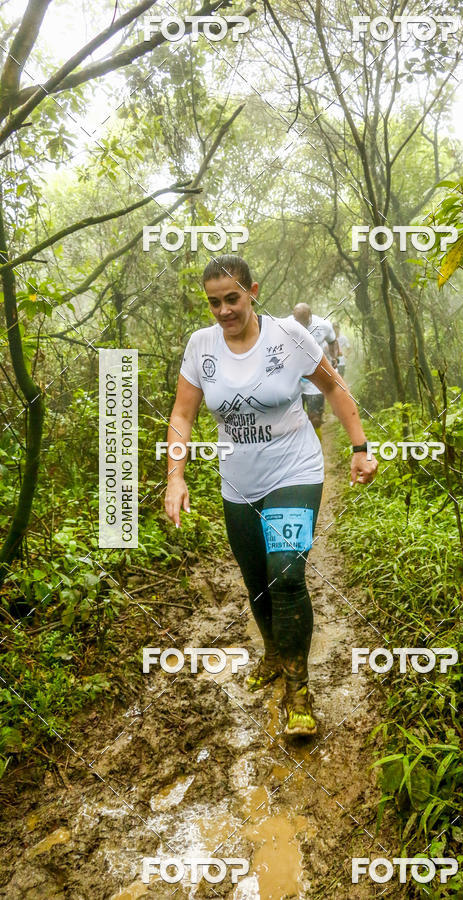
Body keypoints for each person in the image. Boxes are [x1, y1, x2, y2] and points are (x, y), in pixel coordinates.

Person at [164, 255, 377, 737]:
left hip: (295, 469)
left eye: (232, 298)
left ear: (252, 291)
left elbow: (335, 387)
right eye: (214, 302)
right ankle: (274, 652)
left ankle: (298, 691)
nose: (223, 311)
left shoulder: (288, 336)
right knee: (257, 576)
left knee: (285, 574)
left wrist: (360, 447)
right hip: (238, 481)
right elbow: (182, 414)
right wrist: (175, 476)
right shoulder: (201, 347)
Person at [289, 303, 338, 441]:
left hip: (315, 380)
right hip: (295, 379)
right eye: (297, 321)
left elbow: (333, 342)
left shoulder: (323, 325)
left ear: (310, 316)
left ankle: (316, 447)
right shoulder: (287, 324)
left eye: (303, 322)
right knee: (293, 421)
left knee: (314, 419)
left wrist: (334, 358)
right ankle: (299, 447)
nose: (300, 325)